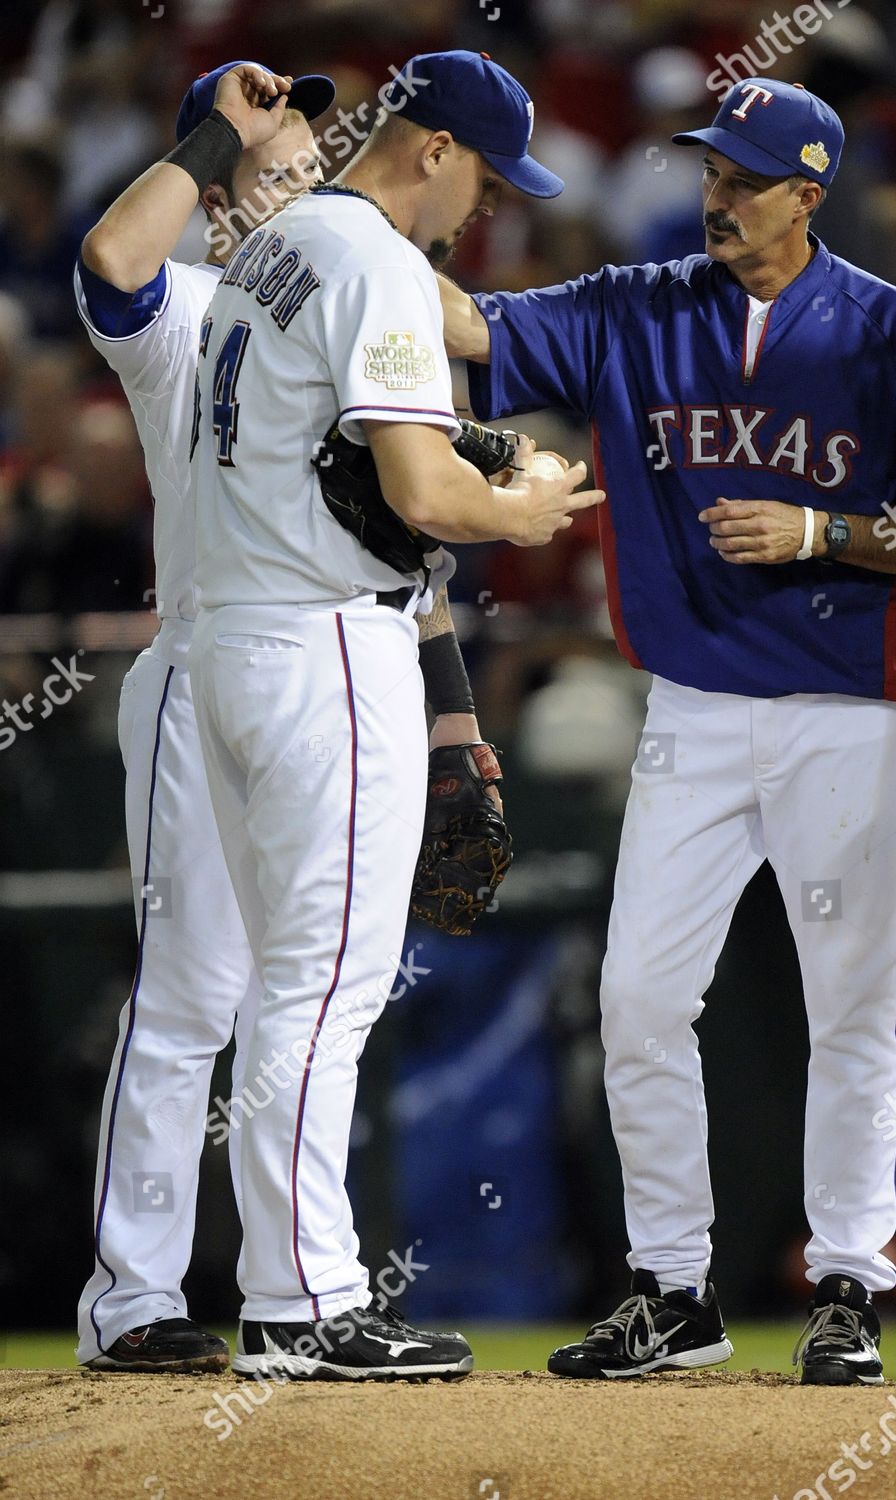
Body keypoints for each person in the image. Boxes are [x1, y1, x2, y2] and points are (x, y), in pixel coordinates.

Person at [440, 76, 896, 1383]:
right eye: (710, 171)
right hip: (692, 707)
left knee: (849, 1004)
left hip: (845, 707)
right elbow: (467, 325)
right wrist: (334, 247)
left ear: (809, 193)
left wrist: (818, 533)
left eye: (745, 178)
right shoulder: (634, 305)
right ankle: (671, 1289)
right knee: (635, 995)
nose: (717, 197)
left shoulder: (881, 326)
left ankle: (849, 1288)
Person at [188, 50, 603, 1382]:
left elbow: (341, 462)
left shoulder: (272, 246)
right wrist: (524, 505)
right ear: (429, 147)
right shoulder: (367, 255)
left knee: (280, 982)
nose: (486, 202)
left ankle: (285, 1291)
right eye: (482, 170)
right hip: (321, 644)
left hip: (231, 637)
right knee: (327, 982)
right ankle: (305, 1305)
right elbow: (421, 496)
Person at [73, 60, 335, 1374]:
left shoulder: (353, 308)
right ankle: (134, 1300)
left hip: (331, 678)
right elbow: (111, 254)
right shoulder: (184, 302)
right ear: (221, 204)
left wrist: (453, 724)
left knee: (314, 990)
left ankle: (303, 1293)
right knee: (189, 1000)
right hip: (198, 666)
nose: (302, 188)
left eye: (308, 168)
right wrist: (213, 136)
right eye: (273, 170)